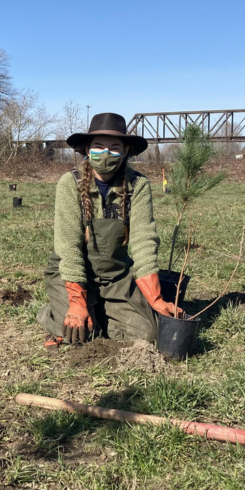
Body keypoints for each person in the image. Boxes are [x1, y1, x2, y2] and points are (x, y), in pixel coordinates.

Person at [37, 112, 180, 348]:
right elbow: (68, 246)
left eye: (115, 147)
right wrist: (76, 300)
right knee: (83, 335)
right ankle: (52, 313)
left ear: (125, 152)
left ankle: (100, 310)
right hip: (74, 272)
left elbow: (144, 240)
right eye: (99, 146)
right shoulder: (69, 183)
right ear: (87, 150)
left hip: (117, 276)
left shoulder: (138, 185)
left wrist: (155, 298)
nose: (106, 153)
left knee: (148, 333)